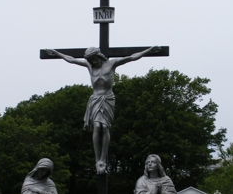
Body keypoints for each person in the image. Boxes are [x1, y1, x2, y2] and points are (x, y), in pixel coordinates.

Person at [45, 46, 161, 174]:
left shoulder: (112, 64)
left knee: (104, 127)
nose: (93, 62)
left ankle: (103, 159)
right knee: (97, 126)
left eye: (94, 59)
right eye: (91, 60)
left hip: (108, 99)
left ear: (99, 56)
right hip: (95, 99)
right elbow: (72, 59)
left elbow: (132, 57)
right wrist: (56, 53)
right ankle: (97, 160)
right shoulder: (90, 66)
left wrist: (149, 50)